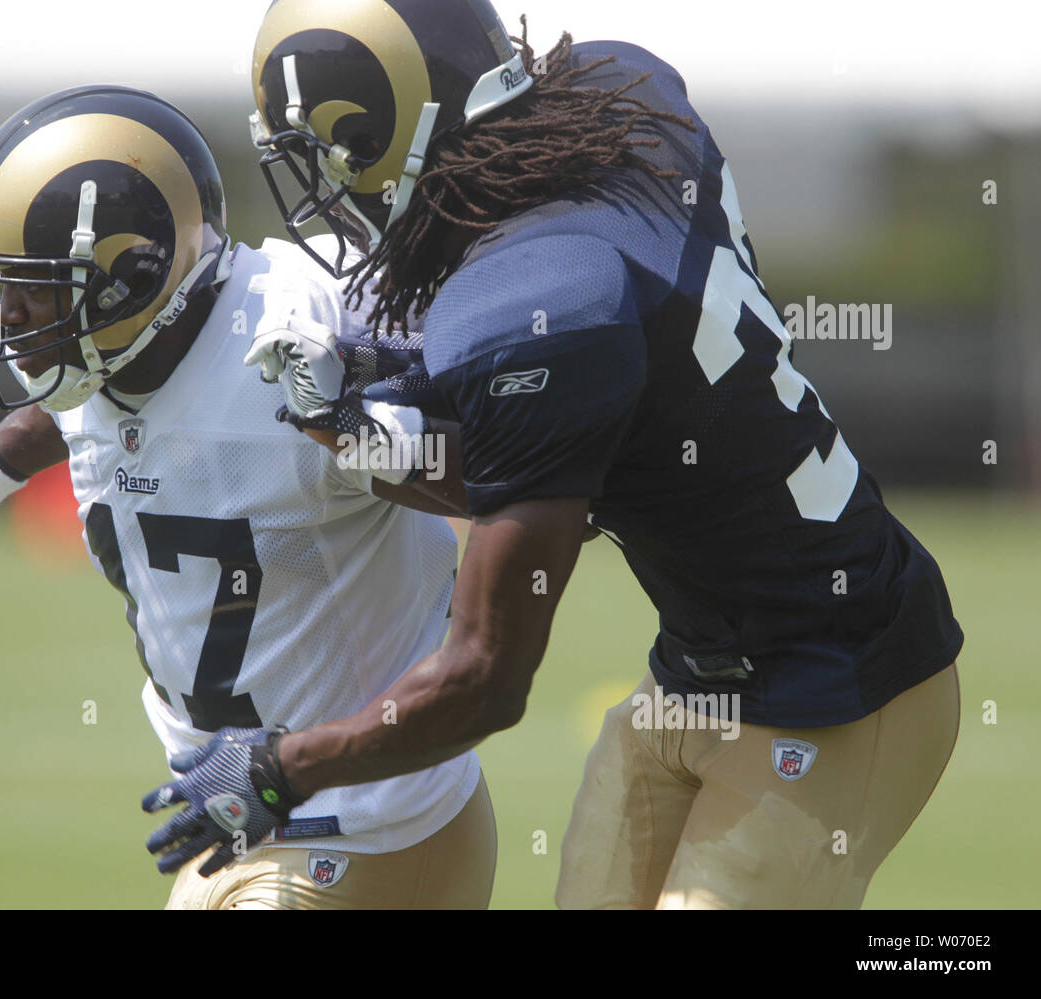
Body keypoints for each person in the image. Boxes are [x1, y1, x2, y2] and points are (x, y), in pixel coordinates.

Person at [161, 0, 963, 909]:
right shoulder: (622, 95)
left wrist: (281, 765)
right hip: (698, 677)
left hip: (843, 694)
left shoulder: (536, 307)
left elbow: (484, 677)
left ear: (392, 140)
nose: (333, 196)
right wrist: (357, 414)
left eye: (334, 160)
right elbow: (572, 430)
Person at [0, 84, 494, 909]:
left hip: (365, 820)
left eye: (34, 288)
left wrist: (352, 424)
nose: (8, 318)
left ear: (133, 281)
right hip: (229, 811)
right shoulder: (120, 350)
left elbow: (498, 467)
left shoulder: (299, 336)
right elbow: (87, 404)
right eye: (4, 283)